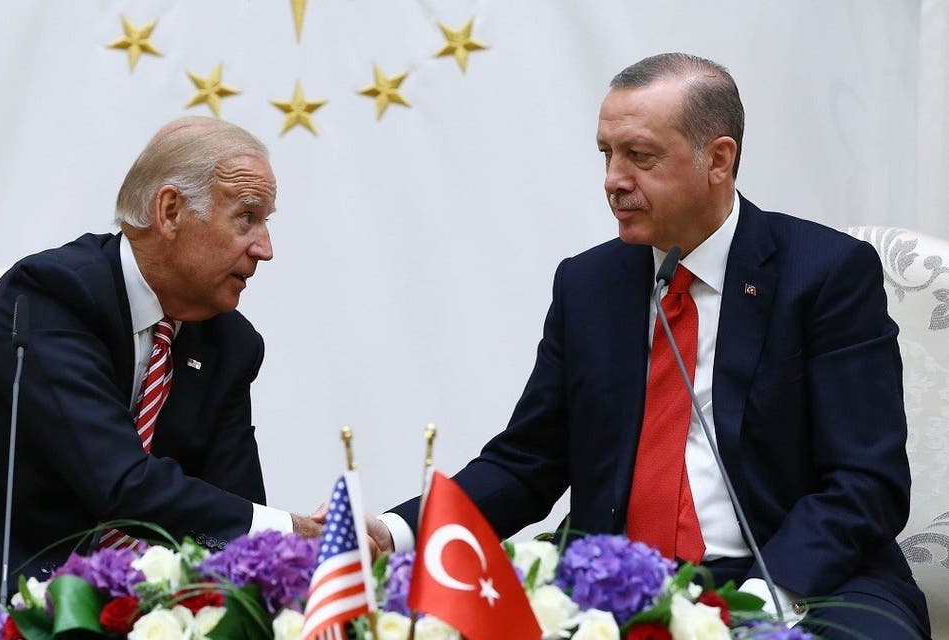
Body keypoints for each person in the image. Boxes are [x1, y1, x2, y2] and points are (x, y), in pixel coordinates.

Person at [366, 53, 932, 638]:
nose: (613, 178)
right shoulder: (589, 285)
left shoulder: (823, 275)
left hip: (797, 575)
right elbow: (528, 462)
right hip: (618, 576)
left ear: (717, 159)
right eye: (606, 154)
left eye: (639, 156)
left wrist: (759, 601)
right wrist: (395, 530)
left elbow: (867, 482)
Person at [0, 116, 320, 639]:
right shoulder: (51, 295)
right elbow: (118, 481)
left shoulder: (229, 346)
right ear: (171, 212)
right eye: (247, 218)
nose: (265, 247)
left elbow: (232, 514)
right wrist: (292, 528)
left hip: (89, 607)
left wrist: (300, 552)